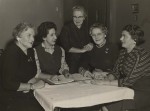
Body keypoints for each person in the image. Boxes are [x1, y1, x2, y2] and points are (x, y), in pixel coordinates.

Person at [1, 22, 45, 111]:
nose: (32, 39)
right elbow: (8, 83)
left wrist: (38, 82)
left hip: (25, 93)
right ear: (18, 37)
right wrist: (31, 86)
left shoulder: (30, 51)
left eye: (33, 36)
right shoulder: (11, 53)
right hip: (10, 98)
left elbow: (31, 74)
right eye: (29, 35)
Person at [107, 24, 150, 111]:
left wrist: (105, 83)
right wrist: (106, 78)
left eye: (124, 36)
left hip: (142, 92)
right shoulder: (123, 52)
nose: (120, 39)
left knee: (110, 107)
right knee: (104, 103)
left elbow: (129, 80)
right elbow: (115, 72)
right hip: (127, 89)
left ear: (134, 39)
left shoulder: (142, 55)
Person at [58, 5, 93, 74]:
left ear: (84, 17)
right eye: (75, 17)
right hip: (71, 62)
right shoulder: (66, 29)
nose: (77, 19)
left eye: (80, 17)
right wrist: (82, 50)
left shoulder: (87, 28)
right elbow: (67, 47)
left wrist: (91, 44)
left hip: (85, 61)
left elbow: (91, 41)